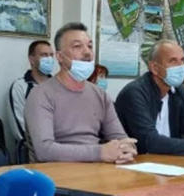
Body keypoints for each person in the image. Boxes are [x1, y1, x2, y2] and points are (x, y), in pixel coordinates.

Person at [24, 22, 137, 163]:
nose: (87, 52)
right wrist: (100, 152)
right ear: (59, 57)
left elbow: (121, 138)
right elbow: (45, 151)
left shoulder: (100, 95)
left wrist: (127, 149)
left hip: (97, 171)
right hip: (55, 172)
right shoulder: (40, 94)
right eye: (77, 46)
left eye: (90, 46)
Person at [8, 40, 54, 143]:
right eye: (44, 55)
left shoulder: (59, 87)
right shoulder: (20, 87)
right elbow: (19, 127)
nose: (49, 59)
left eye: (51, 55)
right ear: (32, 59)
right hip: (32, 146)